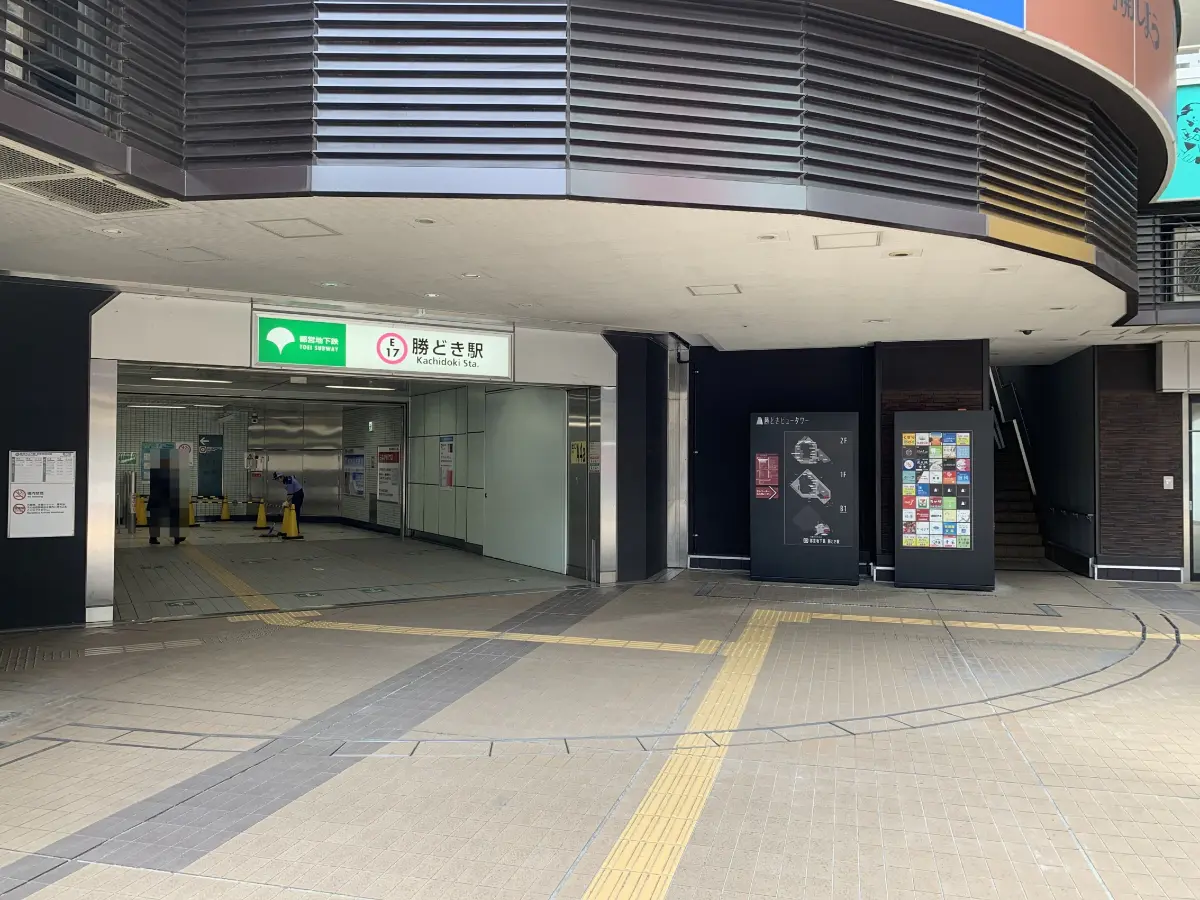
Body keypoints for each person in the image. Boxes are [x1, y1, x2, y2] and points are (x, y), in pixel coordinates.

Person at [148, 448, 185, 546]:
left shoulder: (155, 469)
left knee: (155, 519)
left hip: (155, 498)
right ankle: (177, 537)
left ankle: (153, 537)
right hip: (164, 498)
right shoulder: (166, 471)